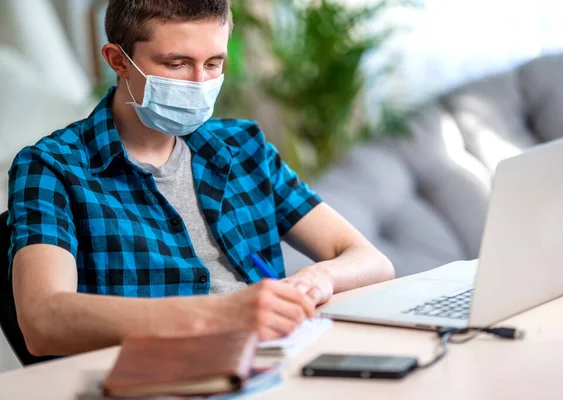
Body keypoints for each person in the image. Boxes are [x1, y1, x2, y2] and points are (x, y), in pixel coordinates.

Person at [7, 0, 394, 357]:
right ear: (118, 60)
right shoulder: (52, 168)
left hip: (278, 360)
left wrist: (318, 279)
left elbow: (370, 261)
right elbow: (43, 321)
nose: (198, 83)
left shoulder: (245, 148)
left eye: (213, 64)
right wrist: (221, 314)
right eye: (176, 64)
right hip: (158, 378)